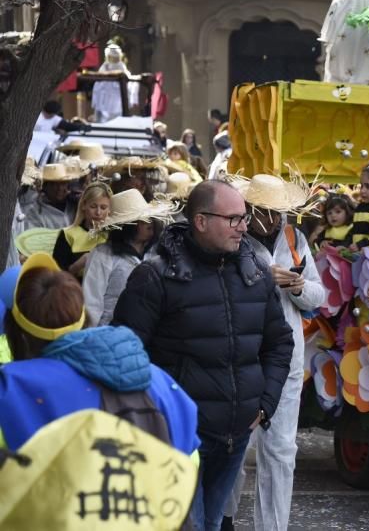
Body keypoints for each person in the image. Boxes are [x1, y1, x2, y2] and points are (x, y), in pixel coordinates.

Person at [113, 180, 294, 531]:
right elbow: (126, 354)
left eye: (244, 217)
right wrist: (157, 416)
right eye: (234, 219)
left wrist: (264, 404)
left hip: (237, 432)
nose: (244, 227)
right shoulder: (154, 276)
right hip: (179, 434)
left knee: (210, 523)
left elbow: (279, 343)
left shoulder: (254, 274)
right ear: (201, 221)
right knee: (189, 525)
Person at [0, 253, 199, 461]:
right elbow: (191, 461)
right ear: (83, 317)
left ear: (17, 332)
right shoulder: (159, 382)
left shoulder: (10, 388)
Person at [223, 174, 324, 531]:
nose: (274, 218)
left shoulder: (295, 238)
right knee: (233, 444)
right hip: (244, 356)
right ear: (251, 209)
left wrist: (297, 285)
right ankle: (225, 517)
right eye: (266, 211)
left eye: (279, 211)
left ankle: (273, 527)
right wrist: (267, 277)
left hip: (289, 357)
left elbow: (318, 296)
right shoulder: (233, 239)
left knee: (280, 449)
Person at [82, 189, 176, 326]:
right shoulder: (102, 255)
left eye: (149, 218)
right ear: (126, 226)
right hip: (111, 332)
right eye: (142, 220)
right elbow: (91, 302)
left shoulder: (158, 252)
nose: (149, 223)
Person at [52, 181, 112, 277]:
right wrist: (77, 265)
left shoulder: (113, 235)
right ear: (84, 205)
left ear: (109, 209)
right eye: (93, 206)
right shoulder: (68, 234)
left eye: (103, 207)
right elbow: (56, 275)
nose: (98, 212)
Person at [21, 162, 84, 230]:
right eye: (54, 184)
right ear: (44, 187)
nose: (59, 188)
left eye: (63, 183)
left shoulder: (74, 204)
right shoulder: (35, 213)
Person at [91, 42, 130, 123]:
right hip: (105, 96)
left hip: (117, 96)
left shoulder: (121, 66)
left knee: (118, 116)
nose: (114, 59)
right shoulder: (105, 66)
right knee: (104, 118)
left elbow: (126, 78)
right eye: (112, 57)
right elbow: (98, 83)